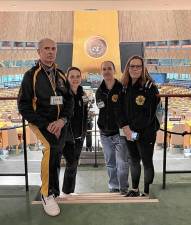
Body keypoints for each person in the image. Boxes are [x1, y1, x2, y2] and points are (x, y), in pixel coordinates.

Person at [17, 38, 74, 216]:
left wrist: (62, 120)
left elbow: (69, 100)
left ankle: (55, 191)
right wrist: (46, 124)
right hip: (40, 122)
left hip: (59, 123)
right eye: (46, 49)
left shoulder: (61, 74)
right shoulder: (30, 76)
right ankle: (46, 194)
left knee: (56, 152)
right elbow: (24, 106)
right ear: (39, 52)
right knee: (51, 148)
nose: (50, 52)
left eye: (53, 49)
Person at [120, 55, 160, 197]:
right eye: (132, 66)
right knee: (134, 160)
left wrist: (132, 130)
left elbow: (148, 115)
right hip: (129, 132)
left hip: (146, 132)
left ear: (143, 69)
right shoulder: (124, 86)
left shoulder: (149, 87)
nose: (135, 69)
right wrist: (125, 127)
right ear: (128, 68)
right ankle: (135, 189)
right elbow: (120, 110)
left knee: (147, 162)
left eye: (138, 66)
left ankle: (147, 191)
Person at [96, 61, 129, 195]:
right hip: (105, 133)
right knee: (110, 163)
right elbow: (101, 108)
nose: (107, 71)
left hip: (119, 132)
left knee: (122, 163)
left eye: (109, 68)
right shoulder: (99, 91)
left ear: (114, 71)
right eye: (104, 69)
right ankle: (113, 186)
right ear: (101, 72)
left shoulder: (122, 88)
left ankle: (123, 188)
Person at [62, 66, 88, 195]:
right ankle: (65, 191)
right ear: (67, 78)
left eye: (77, 76)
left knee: (74, 164)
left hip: (79, 136)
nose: (75, 79)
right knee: (71, 163)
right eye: (72, 76)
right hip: (67, 137)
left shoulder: (83, 94)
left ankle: (69, 191)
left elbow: (85, 113)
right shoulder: (62, 95)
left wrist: (84, 131)